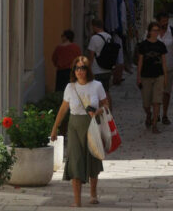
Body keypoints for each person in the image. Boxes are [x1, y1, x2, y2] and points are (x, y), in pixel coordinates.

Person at [51, 56, 108, 208]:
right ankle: (77, 200)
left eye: (82, 68)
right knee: (75, 161)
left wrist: (97, 112)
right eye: (77, 68)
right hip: (74, 126)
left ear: (87, 70)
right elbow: (63, 109)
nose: (79, 71)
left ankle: (93, 194)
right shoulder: (70, 87)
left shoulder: (97, 86)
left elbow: (106, 105)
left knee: (93, 159)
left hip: (92, 125)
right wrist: (55, 128)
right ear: (73, 71)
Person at [136, 20, 168, 134]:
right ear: (149, 31)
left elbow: (164, 62)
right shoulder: (143, 45)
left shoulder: (161, 46)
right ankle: (148, 115)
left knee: (157, 101)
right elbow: (140, 62)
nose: (156, 32)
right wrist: (138, 77)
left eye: (157, 30)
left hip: (158, 75)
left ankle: (154, 124)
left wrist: (165, 77)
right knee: (146, 103)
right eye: (154, 30)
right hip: (146, 76)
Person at [157, 11, 173, 125]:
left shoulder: (172, 32)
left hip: (169, 67)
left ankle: (164, 114)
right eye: (163, 21)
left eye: (167, 21)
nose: (165, 23)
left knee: (166, 92)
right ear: (158, 21)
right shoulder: (152, 32)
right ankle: (155, 113)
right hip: (155, 68)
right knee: (156, 92)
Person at [87, 18, 115, 102]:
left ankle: (99, 112)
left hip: (96, 70)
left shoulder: (94, 38)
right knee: (106, 92)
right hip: (107, 69)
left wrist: (88, 68)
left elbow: (91, 55)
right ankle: (109, 111)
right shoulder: (109, 36)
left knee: (96, 93)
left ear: (94, 26)